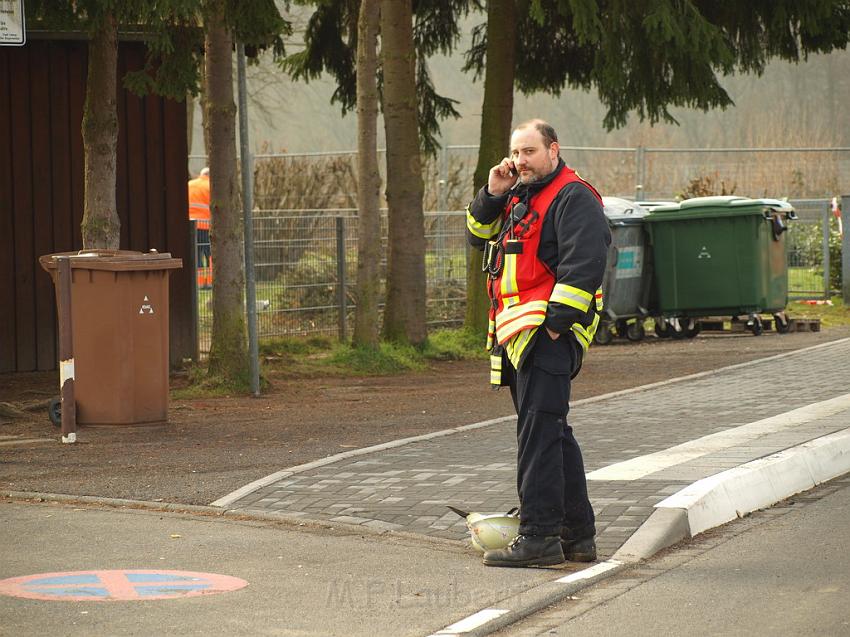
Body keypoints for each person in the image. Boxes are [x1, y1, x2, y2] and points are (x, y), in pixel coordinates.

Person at [466, 119, 611, 568]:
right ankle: (576, 535)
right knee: (553, 434)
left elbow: (585, 264)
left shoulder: (574, 196)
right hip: (519, 334)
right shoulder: (516, 194)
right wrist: (491, 193)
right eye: (516, 152)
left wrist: (556, 325)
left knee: (539, 438)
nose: (520, 160)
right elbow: (476, 235)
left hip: (546, 336)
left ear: (554, 150)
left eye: (529, 151)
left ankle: (539, 537)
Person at [188, 167, 212, 288]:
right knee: (209, 255)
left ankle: (198, 283)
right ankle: (209, 282)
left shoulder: (189, 185)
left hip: (191, 226)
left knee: (196, 255)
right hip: (206, 226)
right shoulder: (210, 186)